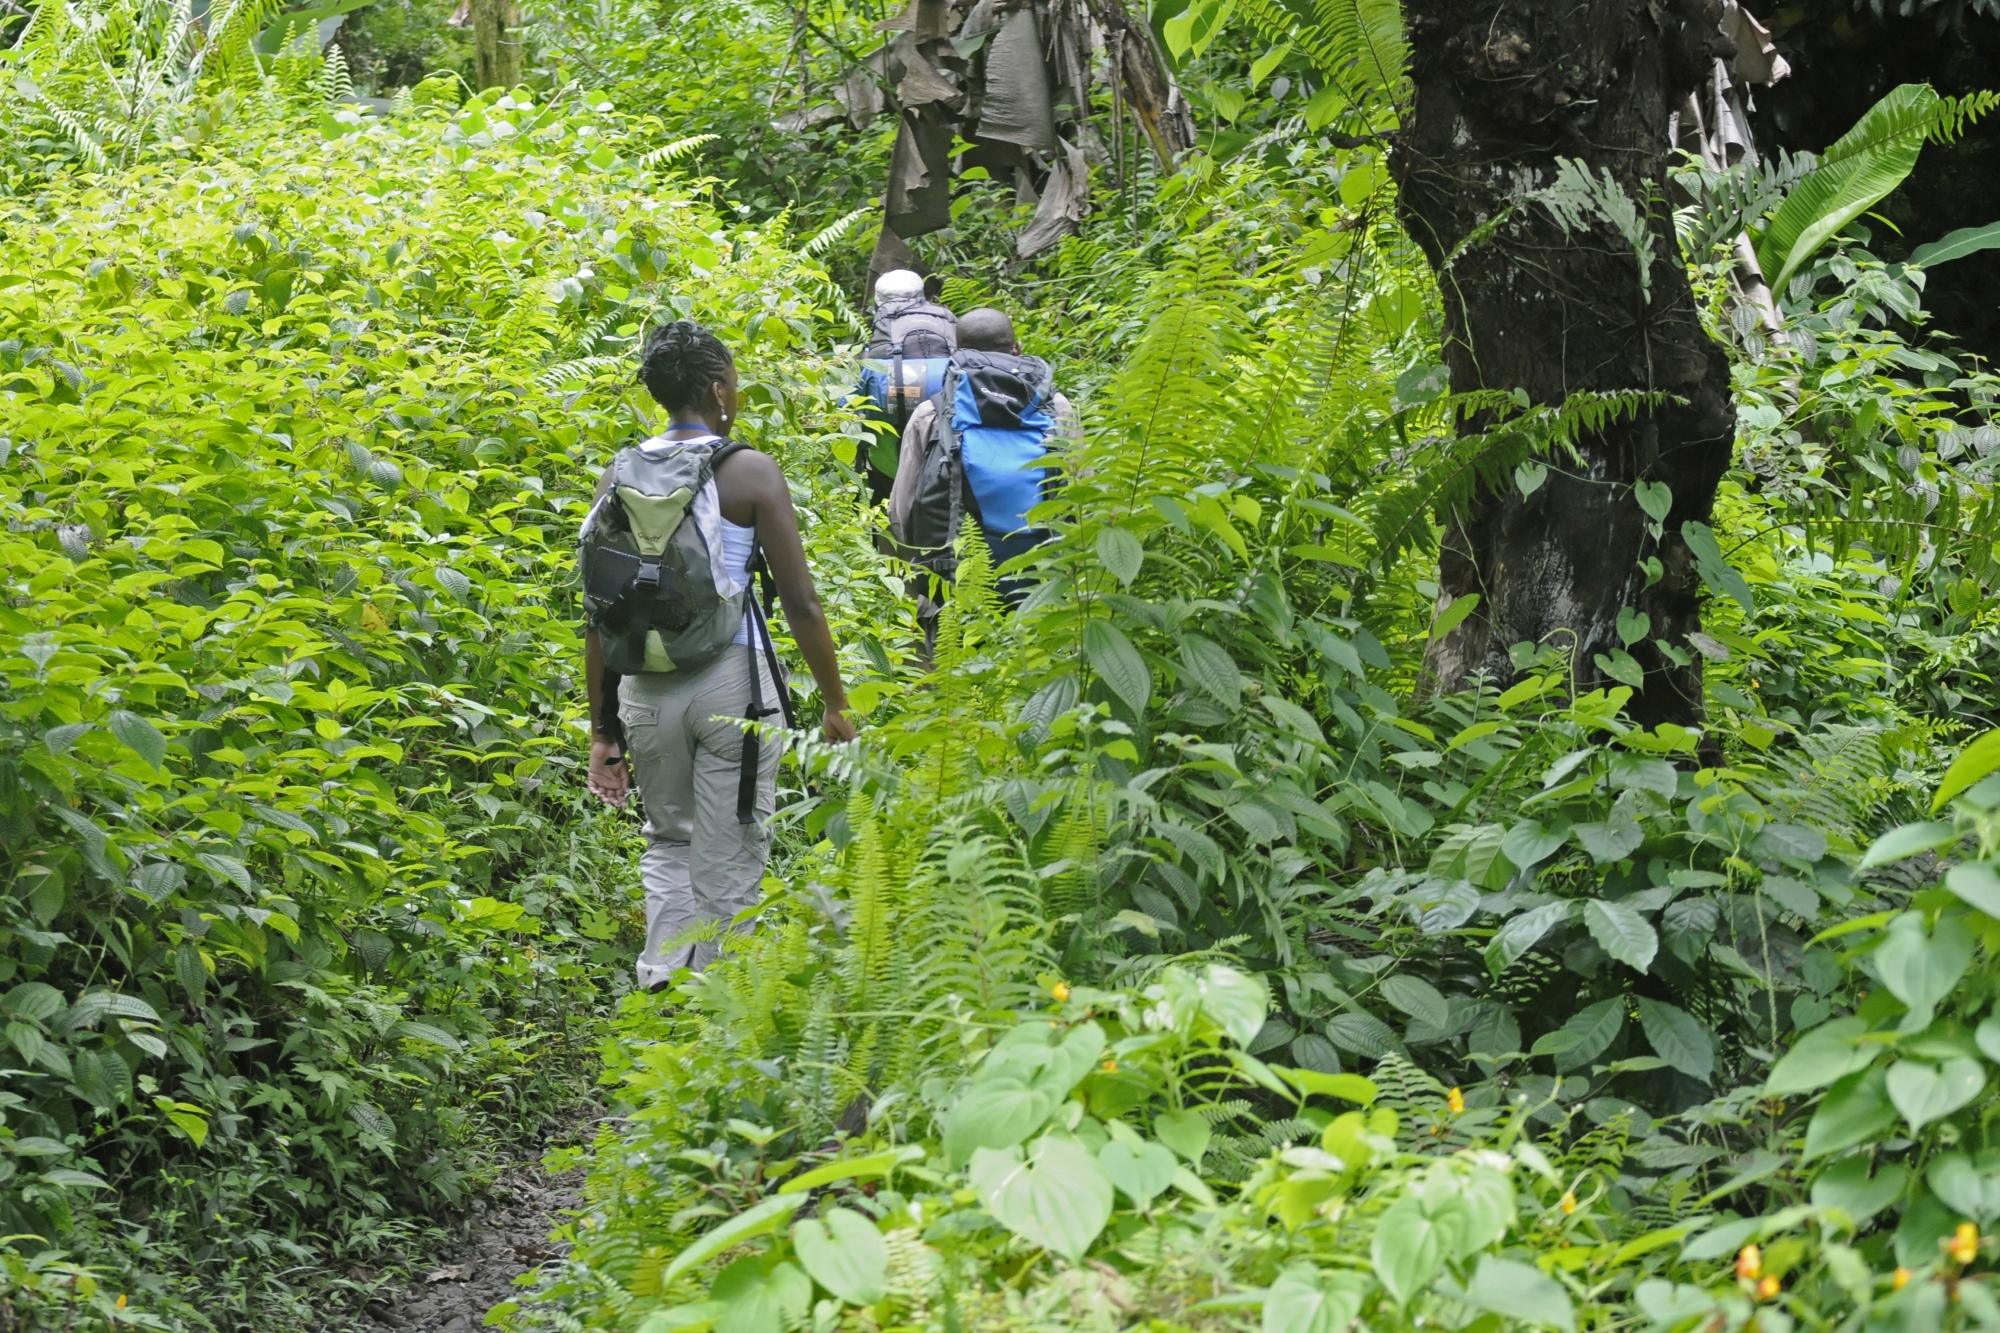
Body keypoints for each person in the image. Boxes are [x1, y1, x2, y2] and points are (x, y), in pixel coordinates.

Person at [583, 320, 857, 988]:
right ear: (716, 389)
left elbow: (597, 613)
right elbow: (801, 604)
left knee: (670, 839)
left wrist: (602, 728)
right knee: (730, 849)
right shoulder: (749, 471)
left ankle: (663, 990)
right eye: (732, 380)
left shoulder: (617, 473)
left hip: (643, 692)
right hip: (732, 684)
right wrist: (834, 701)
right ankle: (721, 1011)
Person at [889, 307, 1071, 628]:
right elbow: (1081, 487)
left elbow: (901, 510)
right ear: (1017, 348)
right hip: (1046, 575)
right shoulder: (1058, 408)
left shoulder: (930, 413)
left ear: (956, 352)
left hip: (956, 575)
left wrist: (913, 582)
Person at [854, 270, 956, 506]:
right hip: (947, 457)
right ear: (923, 298)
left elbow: (848, 412)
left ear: (878, 303)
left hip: (888, 462)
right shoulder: (954, 345)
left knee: (885, 511)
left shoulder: (872, 360)